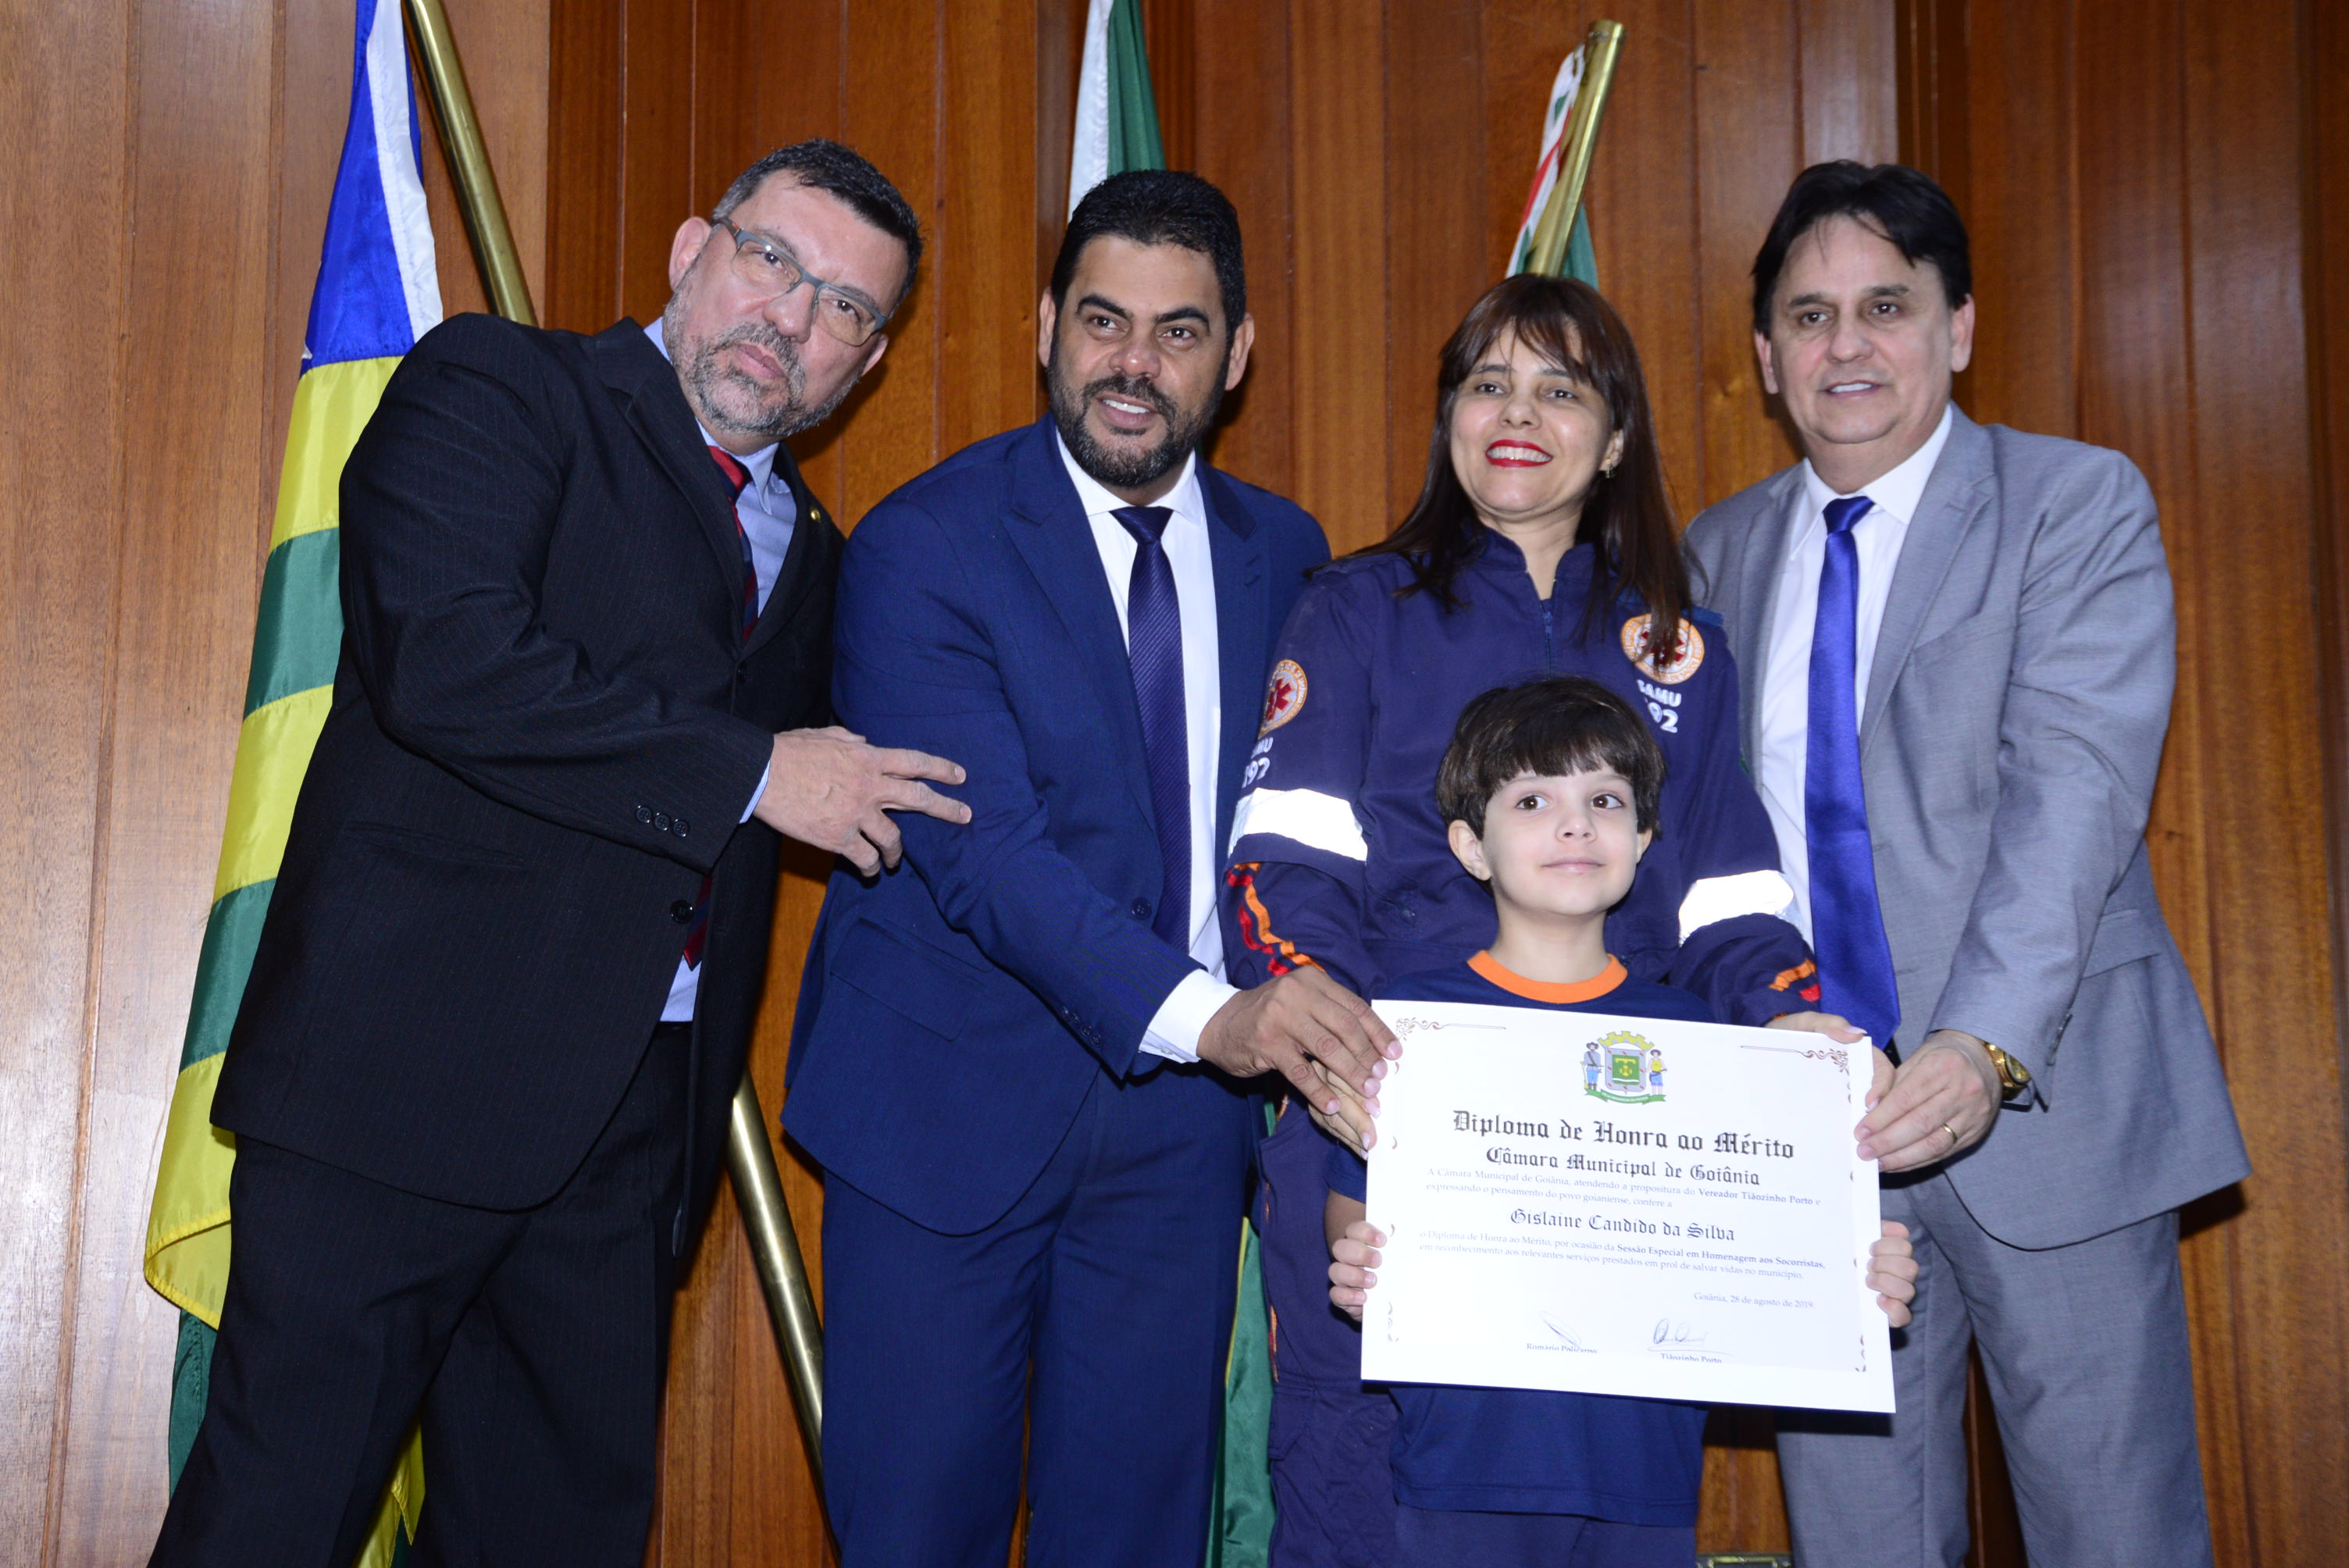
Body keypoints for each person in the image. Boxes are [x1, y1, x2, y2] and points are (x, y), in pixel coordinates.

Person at [150, 141, 968, 1568]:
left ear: (870, 360)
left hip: (632, 1137)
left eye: (843, 306)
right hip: (391, 1098)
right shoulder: (498, 386)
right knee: (275, 1523)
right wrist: (756, 771)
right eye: (772, 260)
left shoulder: (825, 554)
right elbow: (448, 660)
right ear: (690, 251)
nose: (789, 317)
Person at [785, 169, 1395, 1568]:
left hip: (1180, 1144)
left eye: (1179, 332)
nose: (1133, 364)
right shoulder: (924, 544)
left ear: (1235, 356)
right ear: (1045, 325)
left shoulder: (1288, 555)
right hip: (944, 1117)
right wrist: (1217, 1017)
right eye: (1104, 321)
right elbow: (984, 856)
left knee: (1132, 1539)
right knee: (914, 1536)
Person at [1221, 274, 1845, 1567]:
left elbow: (1729, 900)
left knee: (1597, 1503)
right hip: (1386, 1123)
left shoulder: (1679, 647)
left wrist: (1800, 1039)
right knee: (1359, 1502)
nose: (1517, 413)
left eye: (1559, 389)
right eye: (1487, 384)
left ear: (1613, 440)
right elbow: (1282, 873)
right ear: (1448, 415)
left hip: (1622, 1149)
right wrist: (1343, 1066)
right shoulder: (1355, 608)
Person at [1682, 160, 2251, 1568]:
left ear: (1959, 327)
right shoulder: (1711, 555)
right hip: (1814, 1139)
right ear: (1765, 354)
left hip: (2047, 1112)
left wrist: (1981, 1044)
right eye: (1808, 316)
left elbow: (2075, 792)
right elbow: (1701, 845)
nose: (1846, 345)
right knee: (1859, 1548)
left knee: (2113, 1536)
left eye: (1885, 306)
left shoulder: (2072, 502)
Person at [1320, 675, 1919, 1568]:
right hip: (1461, 1472)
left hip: (1649, 1478)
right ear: (1470, 845)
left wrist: (1852, 1275)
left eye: (1604, 800)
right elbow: (1351, 1208)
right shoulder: (1412, 1026)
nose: (1574, 826)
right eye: (1532, 801)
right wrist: (1361, 1255)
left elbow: (1766, 1234)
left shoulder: (1707, 1041)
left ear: (1641, 838)